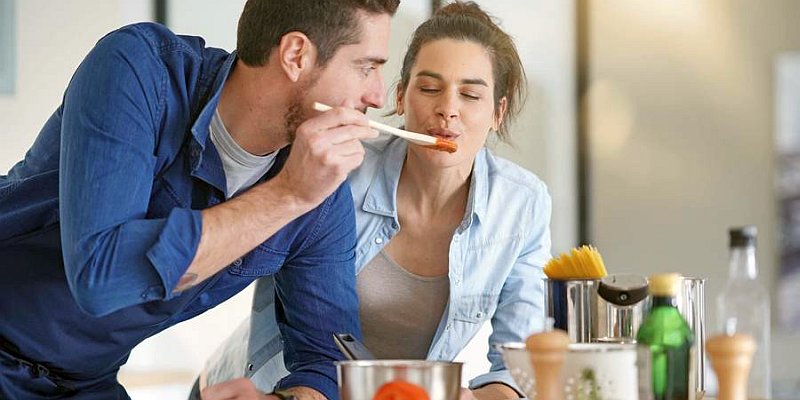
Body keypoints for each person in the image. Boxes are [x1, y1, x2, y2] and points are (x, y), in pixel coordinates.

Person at [0, 0, 400, 398]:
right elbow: (102, 277)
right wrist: (287, 195)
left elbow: (331, 359)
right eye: (366, 67)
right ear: (296, 55)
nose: (377, 97)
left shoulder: (321, 199)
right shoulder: (140, 69)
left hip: (82, 383)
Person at [200, 2, 552, 400]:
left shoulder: (523, 204)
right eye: (430, 88)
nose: (448, 110)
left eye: (471, 95)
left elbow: (519, 366)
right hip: (263, 389)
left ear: (497, 113)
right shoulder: (338, 165)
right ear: (400, 97)